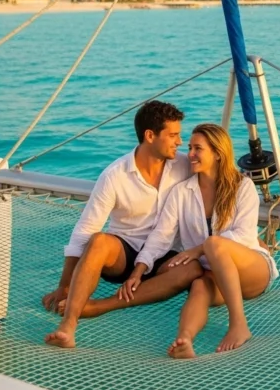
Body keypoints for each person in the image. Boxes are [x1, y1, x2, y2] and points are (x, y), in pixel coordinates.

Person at [43, 101, 202, 349]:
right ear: (150, 136)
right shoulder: (114, 175)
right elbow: (84, 230)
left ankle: (101, 305)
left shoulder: (184, 166)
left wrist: (243, 236)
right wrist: (64, 286)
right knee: (98, 241)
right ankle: (68, 325)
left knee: (192, 270)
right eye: (173, 135)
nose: (179, 142)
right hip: (124, 255)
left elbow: (220, 186)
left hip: (165, 255)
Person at [132, 122, 279, 359]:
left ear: (218, 153)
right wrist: (139, 269)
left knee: (213, 244)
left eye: (197, 148)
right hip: (215, 273)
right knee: (199, 286)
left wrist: (199, 249)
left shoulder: (243, 186)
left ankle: (239, 325)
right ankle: (185, 340)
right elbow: (161, 236)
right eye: (189, 147)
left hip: (253, 270)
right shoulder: (181, 192)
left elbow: (244, 234)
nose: (189, 154)